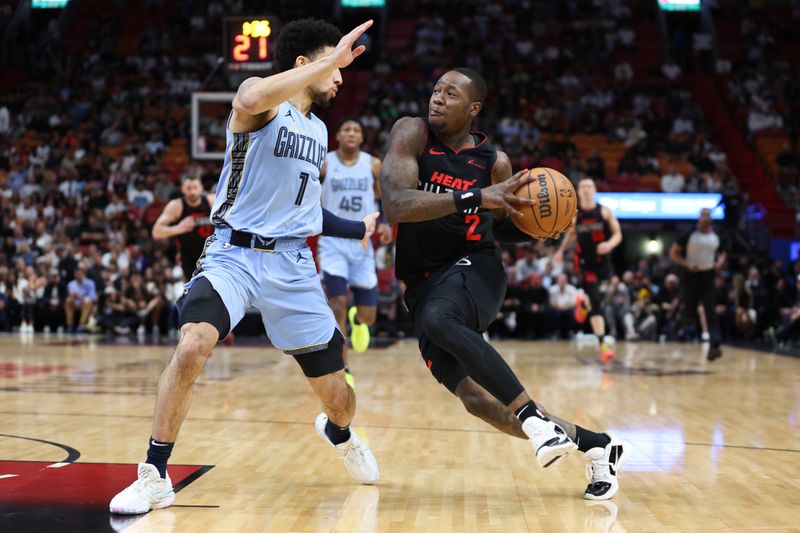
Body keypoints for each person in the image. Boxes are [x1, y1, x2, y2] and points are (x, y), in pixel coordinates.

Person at [110, 18, 380, 515]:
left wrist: (355, 229)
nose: (341, 77)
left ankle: (339, 434)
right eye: (332, 65)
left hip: (294, 265)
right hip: (233, 254)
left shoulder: (319, 131)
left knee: (338, 395)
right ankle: (154, 474)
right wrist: (330, 58)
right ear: (304, 64)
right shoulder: (262, 103)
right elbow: (251, 98)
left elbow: (305, 209)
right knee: (193, 345)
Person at [380, 68, 626, 500]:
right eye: (435, 89)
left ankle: (532, 417)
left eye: (450, 93)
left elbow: (497, 227)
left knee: (441, 318)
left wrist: (537, 229)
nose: (437, 98)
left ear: (473, 108)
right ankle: (596, 446)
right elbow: (397, 205)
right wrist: (474, 198)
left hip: (476, 267)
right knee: (477, 401)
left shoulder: (495, 164)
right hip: (420, 283)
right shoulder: (412, 134)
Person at [318, 117, 392, 386]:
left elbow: (383, 198)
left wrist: (384, 223)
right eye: (346, 128)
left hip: (363, 244)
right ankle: (344, 367)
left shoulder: (372, 164)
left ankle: (358, 321)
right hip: (332, 241)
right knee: (337, 304)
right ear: (337, 135)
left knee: (368, 315)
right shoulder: (325, 162)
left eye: (356, 130)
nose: (351, 133)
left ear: (362, 138)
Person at [555, 178, 623, 362]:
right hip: (586, 264)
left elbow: (618, 234)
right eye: (582, 186)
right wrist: (560, 251)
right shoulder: (576, 215)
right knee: (597, 302)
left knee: (599, 298)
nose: (586, 189)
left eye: (589, 186)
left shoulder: (604, 211)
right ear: (577, 191)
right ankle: (603, 343)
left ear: (594, 190)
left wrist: (609, 244)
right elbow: (570, 236)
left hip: (604, 264)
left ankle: (583, 303)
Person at [669, 208, 726, 360]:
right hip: (691, 276)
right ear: (699, 219)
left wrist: (719, 263)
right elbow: (673, 252)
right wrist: (687, 264)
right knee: (689, 312)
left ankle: (715, 346)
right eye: (703, 217)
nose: (705, 220)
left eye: (708, 217)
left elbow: (722, 253)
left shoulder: (716, 237)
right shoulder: (689, 234)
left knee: (710, 311)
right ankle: (678, 322)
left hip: (708, 277)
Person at [152, 174, 216, 281]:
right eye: (188, 188)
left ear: (201, 187)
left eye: (195, 187)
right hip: (189, 260)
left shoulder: (211, 201)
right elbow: (156, 231)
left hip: (212, 256)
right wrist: (178, 228)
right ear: (182, 189)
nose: (192, 192)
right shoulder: (176, 206)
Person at [65, 267, 97, 333]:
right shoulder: (71, 284)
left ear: (83, 274)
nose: (78, 275)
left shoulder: (90, 283)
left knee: (87, 302)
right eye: (76, 274)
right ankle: (69, 325)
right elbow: (70, 295)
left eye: (79, 274)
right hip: (75, 304)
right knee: (68, 300)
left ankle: (81, 324)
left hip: (85, 304)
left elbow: (92, 297)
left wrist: (80, 297)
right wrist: (73, 297)